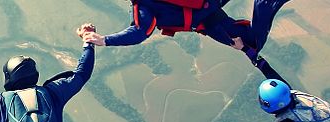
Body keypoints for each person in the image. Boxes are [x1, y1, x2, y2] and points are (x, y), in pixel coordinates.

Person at [78, 0, 290, 67]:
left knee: (251, 43)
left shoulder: (142, 6)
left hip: (206, 17)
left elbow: (140, 32)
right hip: (207, 11)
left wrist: (105, 40)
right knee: (248, 43)